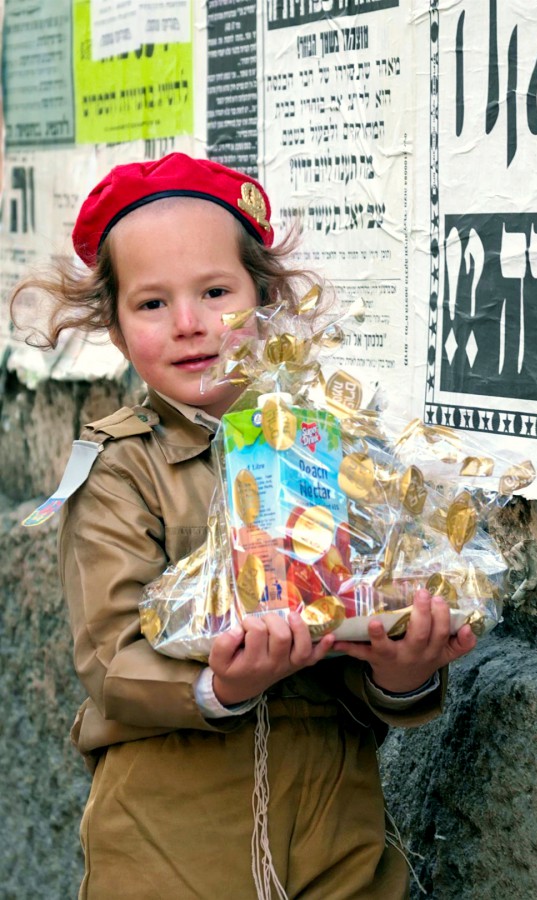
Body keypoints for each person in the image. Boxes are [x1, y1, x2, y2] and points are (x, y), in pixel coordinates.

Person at [11, 153, 477, 900]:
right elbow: (109, 660)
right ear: (118, 328)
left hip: (338, 828)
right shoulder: (120, 469)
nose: (190, 325)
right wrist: (219, 685)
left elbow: (359, 632)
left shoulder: (335, 453)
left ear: (264, 298)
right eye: (152, 304)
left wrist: (404, 671)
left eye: (216, 291)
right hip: (167, 835)